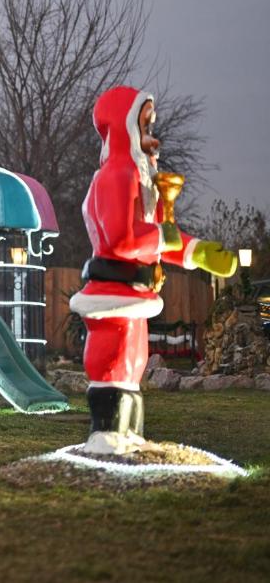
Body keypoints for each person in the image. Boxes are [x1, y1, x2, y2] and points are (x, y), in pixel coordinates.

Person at [69, 86, 238, 455]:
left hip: (137, 291)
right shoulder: (115, 177)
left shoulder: (144, 183)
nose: (153, 139)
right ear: (124, 127)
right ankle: (105, 431)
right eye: (145, 127)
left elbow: (164, 237)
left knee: (133, 360)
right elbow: (121, 241)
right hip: (113, 288)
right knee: (112, 358)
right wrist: (167, 235)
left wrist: (197, 253)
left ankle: (128, 432)